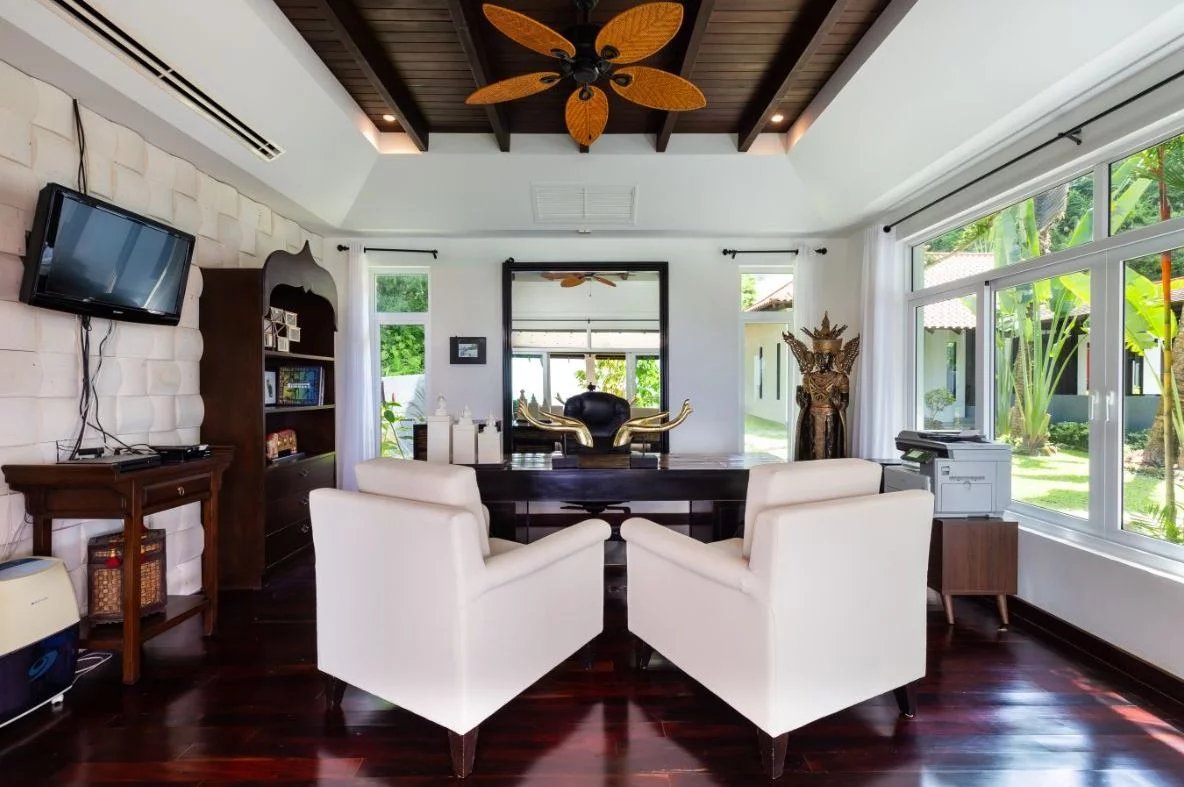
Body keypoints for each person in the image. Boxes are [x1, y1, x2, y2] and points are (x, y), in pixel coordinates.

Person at [784, 313, 861, 460]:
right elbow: (806, 400)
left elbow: (845, 402)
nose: (821, 360)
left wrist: (839, 404)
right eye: (818, 356)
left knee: (829, 449)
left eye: (825, 356)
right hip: (812, 417)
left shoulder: (840, 378)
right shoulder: (808, 377)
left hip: (831, 418)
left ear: (832, 357)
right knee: (811, 449)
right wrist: (802, 403)